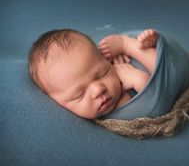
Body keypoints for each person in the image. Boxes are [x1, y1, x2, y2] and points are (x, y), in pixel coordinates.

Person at [28, 28, 158, 120]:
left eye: (102, 74)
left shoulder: (122, 70)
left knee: (148, 53)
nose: (98, 90)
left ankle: (128, 44)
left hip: (145, 58)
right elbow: (149, 112)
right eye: (80, 94)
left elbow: (163, 90)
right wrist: (140, 80)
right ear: (56, 101)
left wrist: (126, 47)